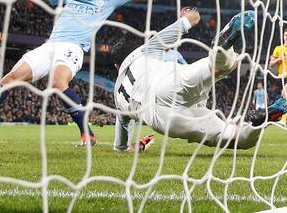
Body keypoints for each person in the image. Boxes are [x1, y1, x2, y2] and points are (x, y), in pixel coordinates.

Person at [0, 0, 189, 146]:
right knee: (10, 79)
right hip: (50, 46)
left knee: (58, 84)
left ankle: (86, 133)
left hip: (73, 49)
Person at [113, 9, 266, 151]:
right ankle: (222, 51)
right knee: (217, 67)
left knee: (229, 137)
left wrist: (129, 146)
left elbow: (121, 144)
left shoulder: (117, 94)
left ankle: (258, 124)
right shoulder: (144, 50)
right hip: (169, 81)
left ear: (116, 66)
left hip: (162, 119)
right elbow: (193, 18)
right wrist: (187, 14)